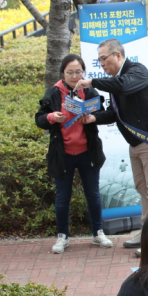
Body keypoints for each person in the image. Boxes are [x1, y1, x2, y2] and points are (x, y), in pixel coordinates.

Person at [74, 39, 148, 257]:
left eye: (103, 58)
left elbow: (124, 87)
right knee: (142, 188)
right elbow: (114, 113)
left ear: (118, 55)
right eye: (98, 60)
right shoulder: (115, 81)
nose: (101, 64)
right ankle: (147, 234)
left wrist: (92, 82)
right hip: (135, 143)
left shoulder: (136, 71)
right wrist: (93, 118)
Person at [35, 54, 113, 254]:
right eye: (70, 72)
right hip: (63, 154)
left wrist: (92, 117)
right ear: (63, 72)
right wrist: (53, 117)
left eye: (78, 72)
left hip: (88, 152)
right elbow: (39, 119)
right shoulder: (54, 93)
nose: (74, 76)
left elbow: (104, 113)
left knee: (93, 194)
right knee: (62, 197)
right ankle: (62, 236)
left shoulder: (89, 90)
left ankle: (98, 233)